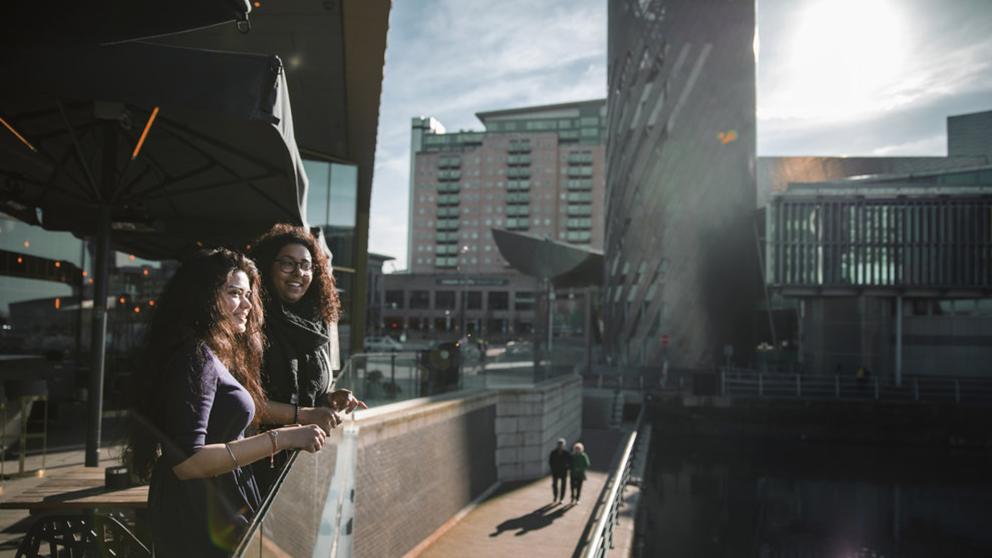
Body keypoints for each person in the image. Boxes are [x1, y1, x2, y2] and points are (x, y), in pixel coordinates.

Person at [127, 248, 327, 557]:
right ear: (203, 296)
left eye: (248, 294)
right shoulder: (195, 357)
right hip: (199, 520)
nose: (247, 304)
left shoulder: (208, 353)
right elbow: (187, 462)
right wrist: (283, 437)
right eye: (234, 293)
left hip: (212, 511)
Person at [248, 225, 367, 488]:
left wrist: (329, 398)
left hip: (304, 463)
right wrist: (305, 415)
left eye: (306, 265)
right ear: (267, 266)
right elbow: (245, 404)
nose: (298, 273)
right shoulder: (250, 322)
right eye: (287, 264)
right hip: (255, 462)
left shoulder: (315, 323)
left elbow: (305, 392)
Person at [548, 438, 571, 503]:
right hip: (555, 471)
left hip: (563, 472)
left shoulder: (566, 453)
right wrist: (552, 469)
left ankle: (561, 499)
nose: (560, 446)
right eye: (559, 445)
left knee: (563, 486)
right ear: (557, 445)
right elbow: (550, 461)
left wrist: (567, 468)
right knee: (554, 485)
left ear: (564, 445)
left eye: (562, 445)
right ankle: (555, 497)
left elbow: (569, 462)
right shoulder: (553, 452)